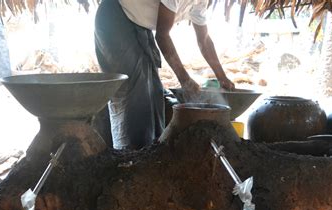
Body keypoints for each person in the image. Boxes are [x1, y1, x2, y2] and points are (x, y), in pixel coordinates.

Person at [95, 0, 235, 150]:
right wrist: (185, 80)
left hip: (140, 24)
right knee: (134, 90)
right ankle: (129, 156)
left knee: (154, 91)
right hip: (115, 17)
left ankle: (149, 151)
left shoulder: (201, 2)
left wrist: (222, 77)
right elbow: (162, 36)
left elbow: (204, 40)